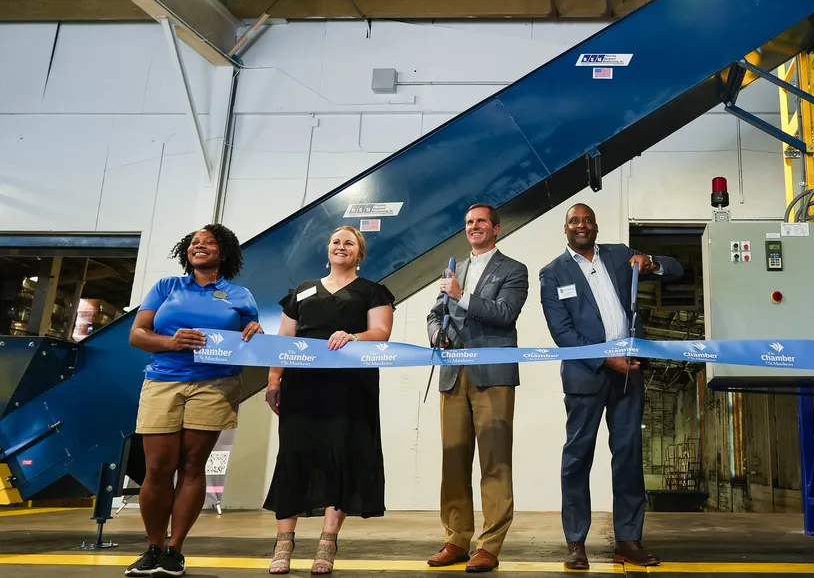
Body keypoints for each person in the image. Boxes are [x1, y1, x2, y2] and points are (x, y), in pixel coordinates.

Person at [538, 203, 683, 570]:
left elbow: (676, 269)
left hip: (629, 374)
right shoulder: (553, 273)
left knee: (629, 456)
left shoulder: (620, 256)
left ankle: (628, 541)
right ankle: (575, 543)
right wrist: (606, 359)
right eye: (574, 221)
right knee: (577, 458)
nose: (581, 226)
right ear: (565, 228)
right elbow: (563, 333)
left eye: (587, 220)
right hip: (587, 376)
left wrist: (650, 261)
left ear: (596, 227)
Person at [126, 224, 262, 577]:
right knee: (157, 469)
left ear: (223, 252)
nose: (199, 246)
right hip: (162, 381)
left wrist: (255, 332)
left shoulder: (240, 295)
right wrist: (171, 343)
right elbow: (137, 335)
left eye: (209, 242)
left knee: (191, 466)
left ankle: (175, 550)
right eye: (194, 243)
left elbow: (252, 340)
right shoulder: (166, 287)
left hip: (215, 385)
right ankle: (153, 546)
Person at [263, 226, 395, 575]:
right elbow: (284, 340)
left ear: (359, 254)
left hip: (350, 388)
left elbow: (381, 332)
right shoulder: (303, 291)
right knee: (294, 457)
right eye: (336, 241)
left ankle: (327, 542)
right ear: (327, 250)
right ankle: (283, 544)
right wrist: (274, 379)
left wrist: (353, 336)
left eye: (349, 243)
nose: (341, 246)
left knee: (342, 457)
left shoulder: (372, 291)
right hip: (302, 386)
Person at [425, 203, 529, 573]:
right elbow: (435, 314)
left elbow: (505, 313)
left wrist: (461, 296)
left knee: (494, 461)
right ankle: (456, 538)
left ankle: (489, 544)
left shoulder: (514, 270)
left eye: (481, 221)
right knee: (453, 459)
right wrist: (437, 334)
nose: (474, 227)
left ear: (496, 228)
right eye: (469, 222)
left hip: (493, 374)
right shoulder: (453, 269)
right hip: (454, 374)